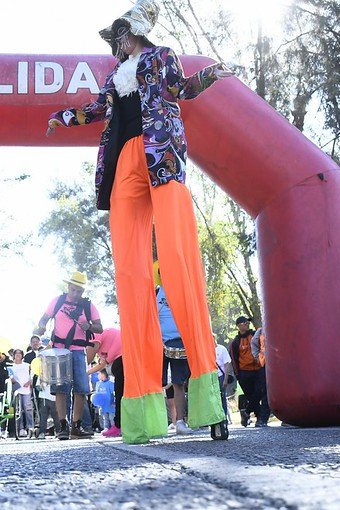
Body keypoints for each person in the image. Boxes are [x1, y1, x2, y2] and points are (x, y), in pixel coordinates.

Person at [45, 0, 233, 443]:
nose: (118, 41)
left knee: (177, 263)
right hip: (123, 164)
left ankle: (211, 402)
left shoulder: (161, 55)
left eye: (123, 32)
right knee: (130, 275)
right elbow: (99, 109)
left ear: (138, 30)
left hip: (161, 157)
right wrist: (64, 116)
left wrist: (210, 75)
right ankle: (144, 415)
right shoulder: (114, 76)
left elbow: (182, 89)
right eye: (115, 36)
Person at [34, 271, 103, 440]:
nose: (76, 294)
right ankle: (62, 426)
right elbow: (43, 319)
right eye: (73, 290)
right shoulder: (57, 301)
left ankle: (76, 426)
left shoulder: (88, 306)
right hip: (59, 350)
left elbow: (99, 327)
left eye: (79, 291)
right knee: (60, 389)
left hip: (79, 351)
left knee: (81, 389)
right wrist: (41, 327)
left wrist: (89, 326)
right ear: (68, 287)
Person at [155, 271, 193, 435]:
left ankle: (180, 421)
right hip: (158, 343)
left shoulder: (182, 291)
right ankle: (155, 422)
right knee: (156, 383)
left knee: (178, 383)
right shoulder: (155, 292)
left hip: (178, 342)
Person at [230, 316, 269, 427]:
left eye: (248, 322)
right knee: (251, 396)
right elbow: (234, 360)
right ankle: (258, 419)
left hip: (258, 370)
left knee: (259, 393)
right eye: (244, 322)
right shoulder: (235, 342)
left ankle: (248, 412)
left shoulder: (255, 335)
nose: (247, 324)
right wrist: (238, 375)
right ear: (239, 325)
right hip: (244, 373)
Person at [88, 327, 123, 437]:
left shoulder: (95, 334)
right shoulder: (105, 334)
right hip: (123, 359)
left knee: (120, 394)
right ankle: (120, 425)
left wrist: (84, 372)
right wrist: (87, 373)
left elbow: (99, 360)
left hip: (121, 360)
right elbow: (102, 363)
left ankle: (118, 426)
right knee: (122, 394)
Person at [10, 348, 35, 437]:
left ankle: (30, 427)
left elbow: (32, 375)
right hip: (17, 390)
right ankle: (20, 428)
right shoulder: (11, 366)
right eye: (16, 353)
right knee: (18, 410)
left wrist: (30, 382)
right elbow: (10, 377)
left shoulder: (27, 365)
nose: (17, 355)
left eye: (19, 353)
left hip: (26, 390)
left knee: (28, 409)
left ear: (22, 355)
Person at [214, 335, 235, 425]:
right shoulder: (206, 350)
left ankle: (224, 417)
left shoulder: (221, 349)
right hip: (212, 376)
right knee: (214, 398)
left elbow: (226, 365)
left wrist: (225, 379)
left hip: (221, 375)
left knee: (222, 397)